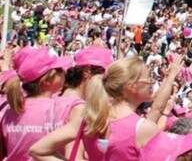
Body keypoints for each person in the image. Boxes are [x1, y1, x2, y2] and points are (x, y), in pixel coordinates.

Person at [29, 55, 183, 161]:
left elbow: (38, 150)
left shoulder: (90, 119)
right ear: (131, 86)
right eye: (148, 79)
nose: (151, 83)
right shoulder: (144, 129)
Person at [0, 47, 75, 160]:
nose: (64, 72)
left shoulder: (9, 109)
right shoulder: (61, 109)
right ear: (47, 80)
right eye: (60, 70)